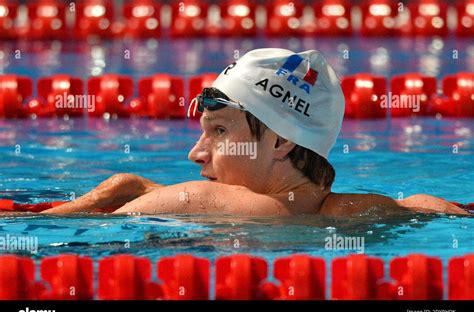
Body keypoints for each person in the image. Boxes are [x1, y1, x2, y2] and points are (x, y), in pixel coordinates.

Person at [42, 48, 469, 217]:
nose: (196, 154)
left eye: (220, 131)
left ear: (282, 141)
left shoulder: (205, 202)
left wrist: (100, 200)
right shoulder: (385, 211)